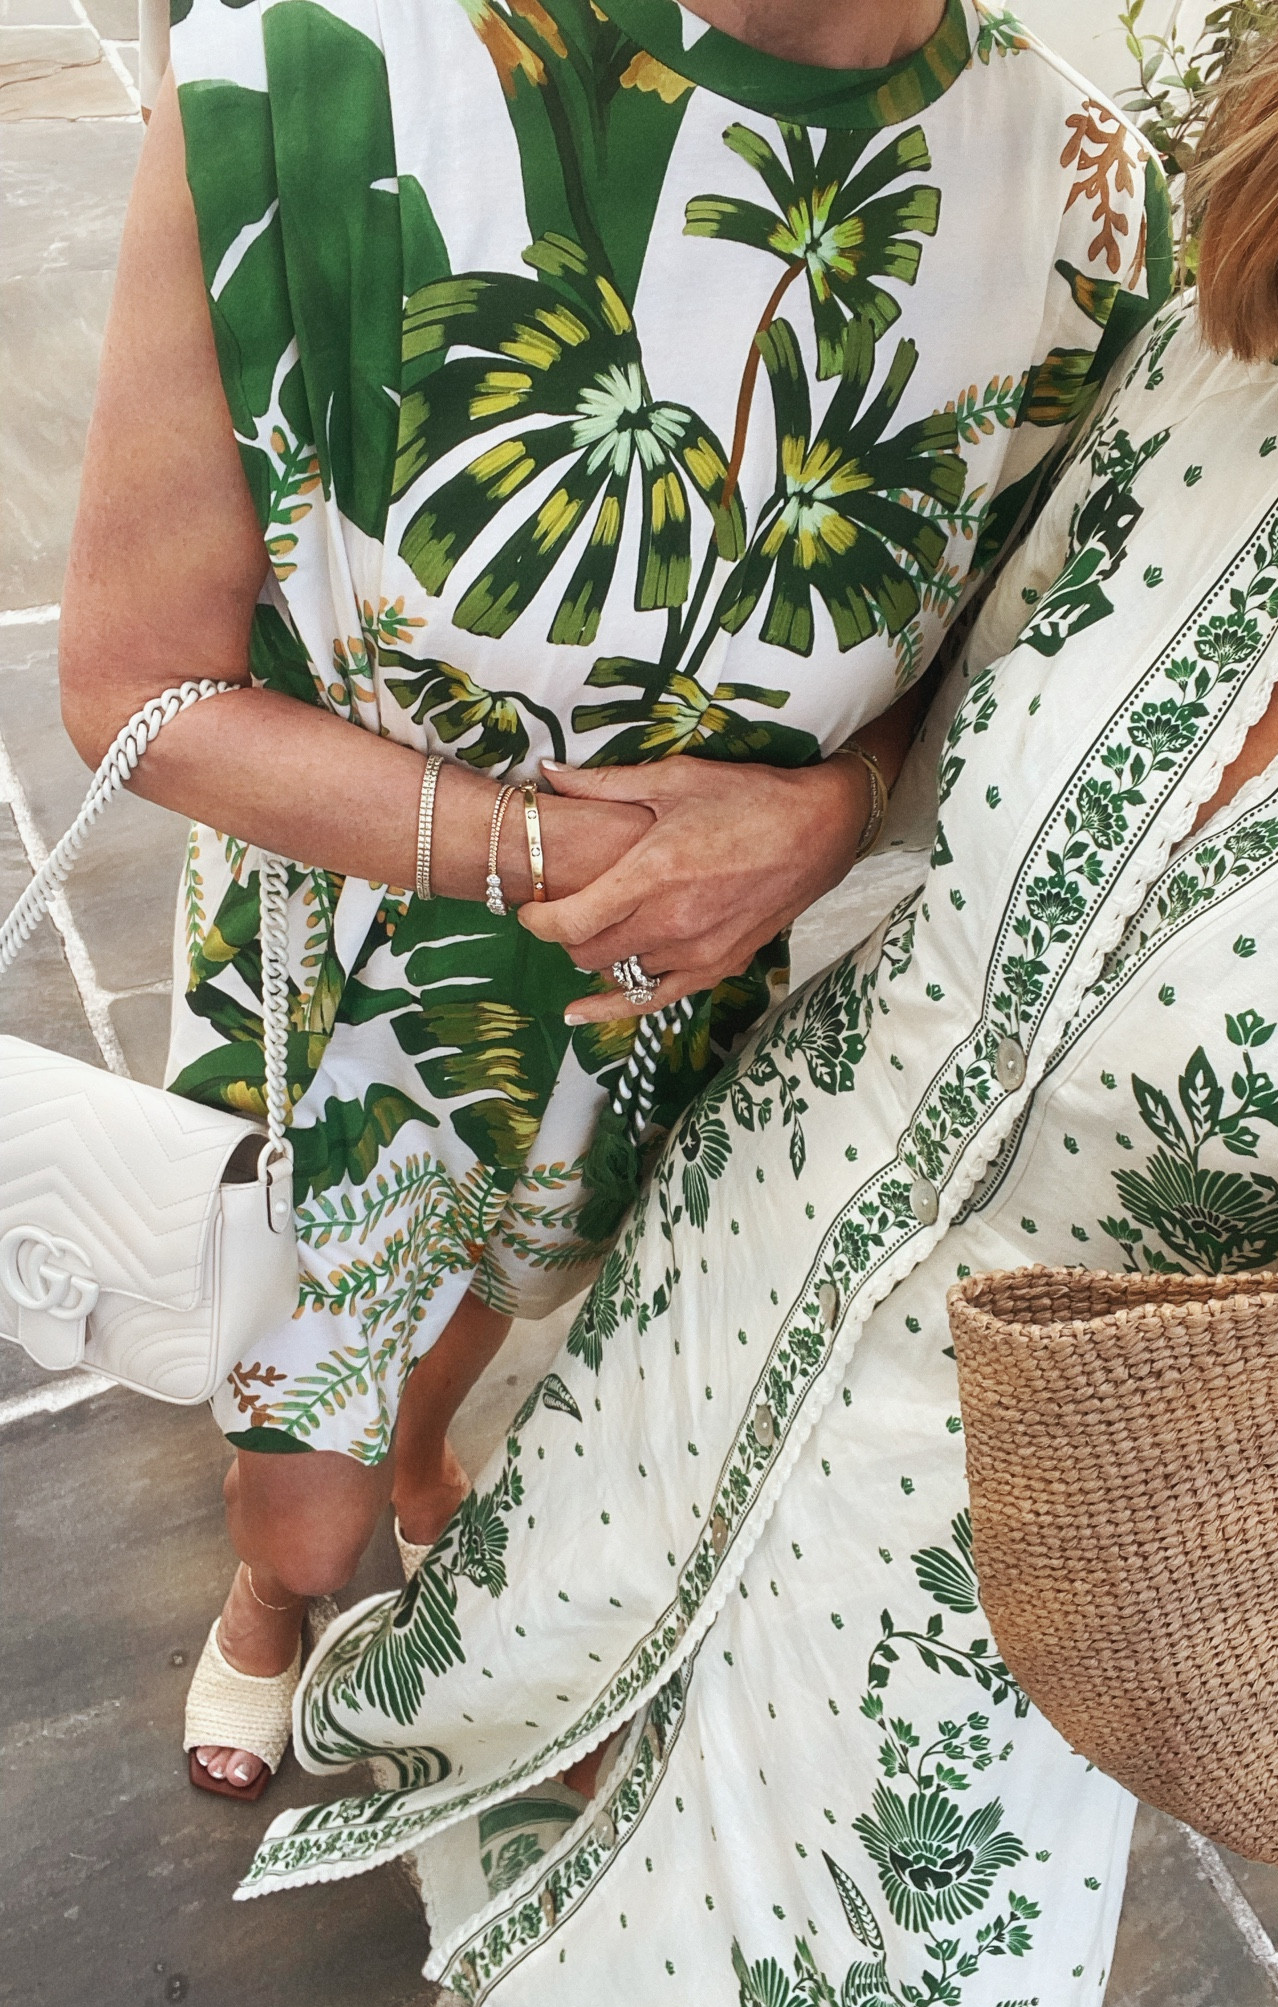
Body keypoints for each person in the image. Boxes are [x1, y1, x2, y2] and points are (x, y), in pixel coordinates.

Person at [213, 0, 1278, 2007]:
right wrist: (827, 799)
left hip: (1024, 1564)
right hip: (712, 1301)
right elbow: (969, 683)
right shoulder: (1254, 343)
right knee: (543, 1794)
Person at [58, 0, 1170, 1796]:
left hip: (666, 1003)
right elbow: (136, 690)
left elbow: (1013, 646)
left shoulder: (1090, 202)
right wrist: (567, 855)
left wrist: (833, 810)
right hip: (349, 960)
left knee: (516, 1279)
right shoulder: (318, 75)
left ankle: (428, 1461)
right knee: (303, 1450)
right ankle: (279, 1585)